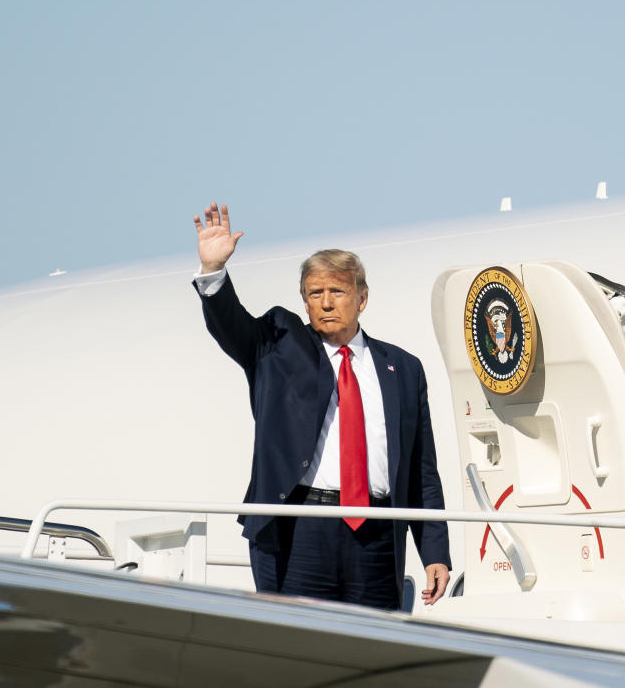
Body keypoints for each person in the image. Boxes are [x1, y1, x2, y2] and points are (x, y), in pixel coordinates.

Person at [191, 202, 450, 609]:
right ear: (304, 301)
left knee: (369, 651)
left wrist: (434, 549)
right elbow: (231, 324)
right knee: (298, 648)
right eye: (316, 293)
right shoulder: (277, 344)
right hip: (301, 529)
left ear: (362, 298)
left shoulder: (402, 367)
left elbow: (421, 469)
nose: (326, 303)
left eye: (338, 292)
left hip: (378, 534)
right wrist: (213, 272)